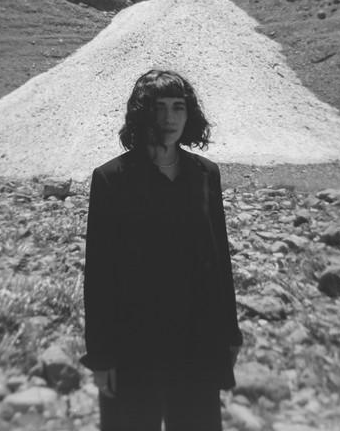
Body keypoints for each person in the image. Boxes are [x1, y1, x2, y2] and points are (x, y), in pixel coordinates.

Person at [81, 69, 242, 431]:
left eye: (178, 107)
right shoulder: (112, 178)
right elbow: (100, 274)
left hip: (197, 338)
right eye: (159, 107)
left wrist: (230, 334)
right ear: (142, 113)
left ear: (189, 114)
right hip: (134, 341)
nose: (170, 118)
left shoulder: (205, 173)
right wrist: (101, 356)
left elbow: (219, 259)